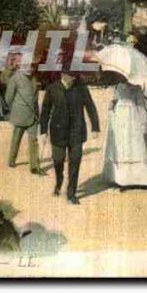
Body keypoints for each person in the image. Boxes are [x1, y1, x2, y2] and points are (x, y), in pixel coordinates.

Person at [40, 70, 100, 204]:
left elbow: (90, 106)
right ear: (62, 75)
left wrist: (95, 127)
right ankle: (59, 180)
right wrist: (43, 131)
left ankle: (71, 193)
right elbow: (45, 111)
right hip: (58, 131)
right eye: (69, 77)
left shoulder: (81, 88)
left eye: (74, 77)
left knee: (75, 161)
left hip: (76, 131)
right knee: (58, 160)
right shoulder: (52, 89)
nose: (72, 79)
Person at [101, 80, 147, 189]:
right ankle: (121, 178)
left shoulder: (137, 87)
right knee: (121, 145)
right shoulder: (117, 86)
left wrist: (143, 122)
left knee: (133, 145)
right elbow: (115, 100)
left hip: (132, 117)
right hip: (120, 117)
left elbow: (141, 104)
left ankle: (140, 178)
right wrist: (113, 104)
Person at [5, 65, 43, 175]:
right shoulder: (15, 78)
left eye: (32, 67)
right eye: (28, 66)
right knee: (16, 138)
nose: (31, 69)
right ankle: (12, 159)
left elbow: (35, 98)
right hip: (20, 114)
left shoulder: (35, 78)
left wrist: (37, 112)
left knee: (34, 140)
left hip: (33, 114)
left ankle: (34, 166)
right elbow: (8, 98)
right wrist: (12, 110)